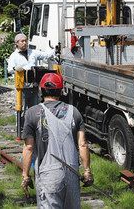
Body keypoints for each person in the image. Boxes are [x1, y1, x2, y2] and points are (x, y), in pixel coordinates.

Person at [21, 73, 93, 208]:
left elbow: (29, 148)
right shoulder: (74, 112)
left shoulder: (32, 113)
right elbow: (83, 144)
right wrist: (87, 171)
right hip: (72, 174)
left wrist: (25, 175)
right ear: (61, 91)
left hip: (49, 175)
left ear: (41, 90)